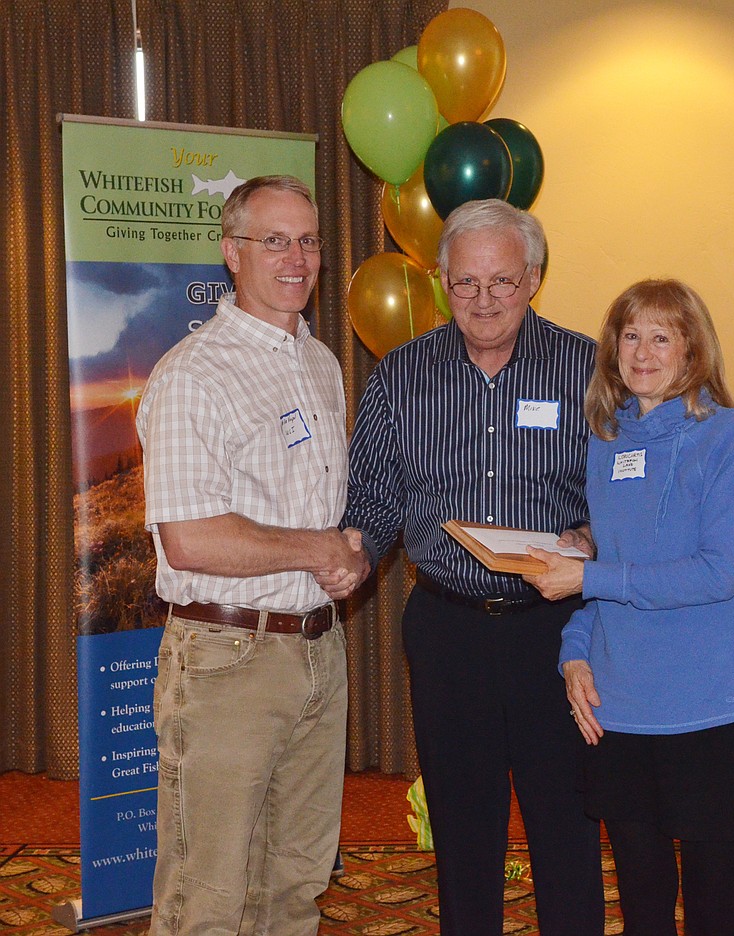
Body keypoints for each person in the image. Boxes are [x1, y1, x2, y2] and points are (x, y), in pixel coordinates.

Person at [344, 198, 604, 934]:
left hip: (556, 633)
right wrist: (340, 560)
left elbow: (622, 493)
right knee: (463, 830)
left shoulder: (587, 368)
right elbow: (373, 501)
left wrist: (591, 537)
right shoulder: (400, 377)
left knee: (567, 823)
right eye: (466, 284)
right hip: (448, 630)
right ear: (441, 284)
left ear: (534, 279)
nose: (485, 300)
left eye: (503, 282)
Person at [136, 174, 369, 935]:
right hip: (226, 659)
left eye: (308, 241)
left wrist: (349, 556)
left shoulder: (320, 362)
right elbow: (190, 536)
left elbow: (319, 512)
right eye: (274, 240)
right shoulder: (193, 375)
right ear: (232, 253)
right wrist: (315, 548)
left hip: (316, 650)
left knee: (294, 884)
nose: (296, 257)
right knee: (205, 898)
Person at [524, 278, 734, 936]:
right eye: (630, 335)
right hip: (622, 711)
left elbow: (717, 574)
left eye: (661, 336)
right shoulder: (607, 443)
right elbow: (607, 569)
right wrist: (574, 655)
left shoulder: (732, 438)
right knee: (640, 899)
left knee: (714, 904)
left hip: (709, 709)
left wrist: (588, 581)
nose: (642, 350)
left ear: (693, 351)